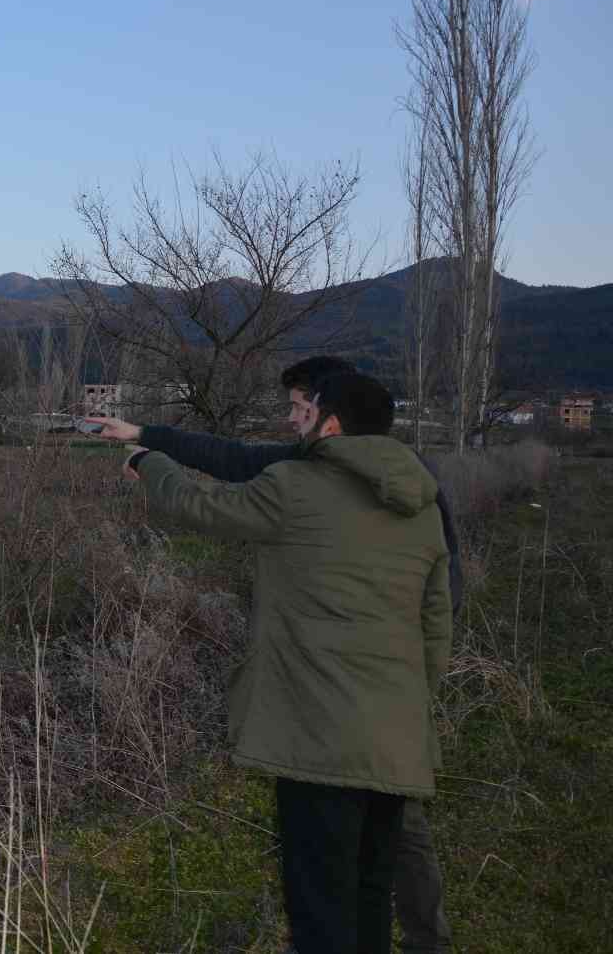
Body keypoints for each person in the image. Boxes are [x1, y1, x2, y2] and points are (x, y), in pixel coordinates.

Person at [90, 356, 457, 953]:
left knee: (319, 909)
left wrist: (148, 462)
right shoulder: (422, 506)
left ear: (330, 425)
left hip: (318, 736)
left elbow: (202, 508)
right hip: (397, 736)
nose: (296, 422)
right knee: (368, 897)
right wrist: (409, 708)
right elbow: (435, 626)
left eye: (304, 412)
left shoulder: (297, 486)